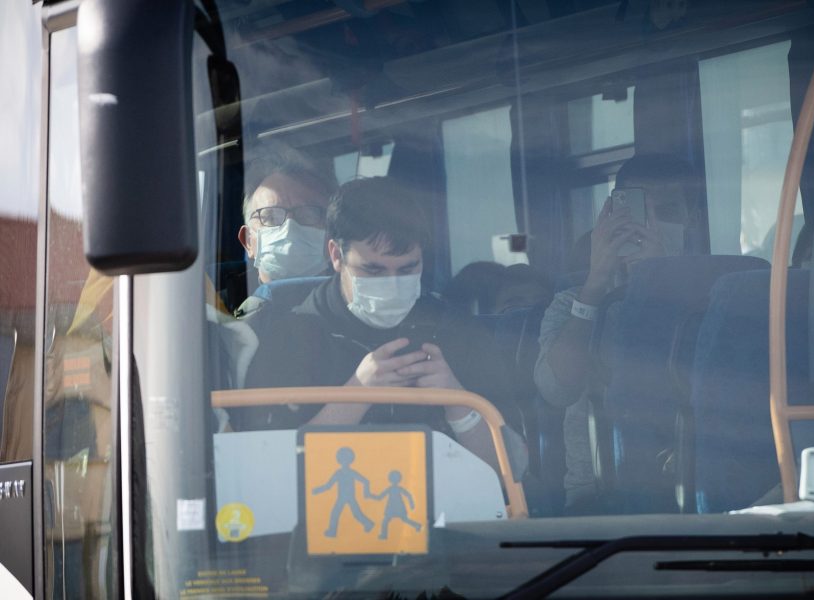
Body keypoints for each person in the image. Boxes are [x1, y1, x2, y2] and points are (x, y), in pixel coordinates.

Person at [242, 176, 518, 472]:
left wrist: (458, 401)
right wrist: (357, 394)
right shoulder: (288, 337)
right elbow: (269, 472)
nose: (392, 284)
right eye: (372, 270)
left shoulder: (457, 331)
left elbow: (515, 468)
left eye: (407, 269)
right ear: (336, 255)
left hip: (450, 511)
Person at [533, 153, 701, 513]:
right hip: (598, 497)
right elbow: (555, 388)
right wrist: (595, 285)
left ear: (692, 219)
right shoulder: (571, 301)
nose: (650, 228)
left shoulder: (712, 296)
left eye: (668, 212)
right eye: (638, 216)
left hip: (701, 484)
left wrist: (659, 280)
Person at [234, 164, 333, 317]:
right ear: (248, 241)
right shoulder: (216, 312)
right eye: (270, 217)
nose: (290, 227)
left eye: (309, 214)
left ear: (333, 233)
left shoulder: (359, 306)